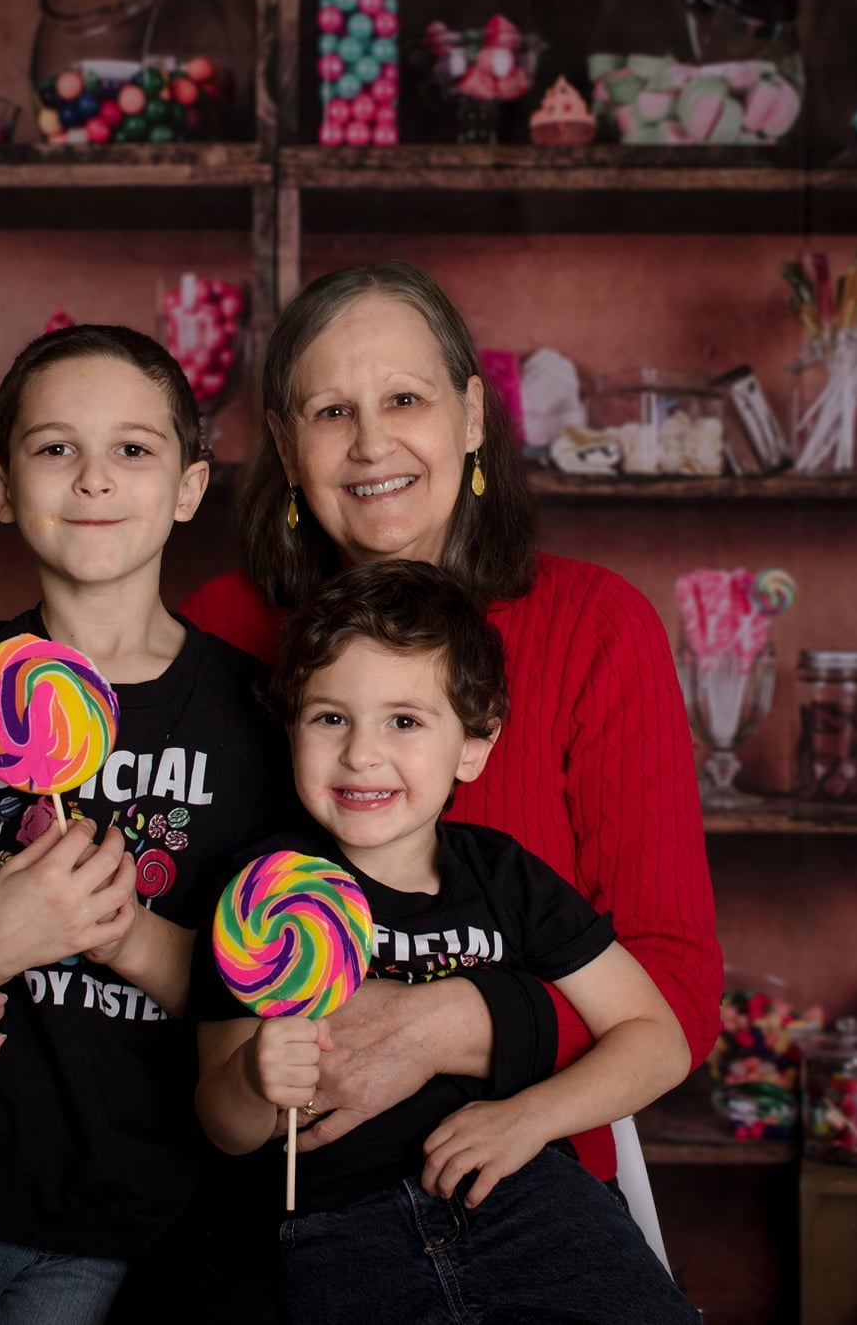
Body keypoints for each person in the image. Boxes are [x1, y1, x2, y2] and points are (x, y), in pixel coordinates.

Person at [181, 260, 721, 1173]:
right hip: (282, 1197)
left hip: (522, 1179)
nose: (370, 445)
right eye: (330, 412)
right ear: (284, 441)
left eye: (403, 398)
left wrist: (446, 1021)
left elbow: (677, 989)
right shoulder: (216, 631)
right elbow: (165, 934)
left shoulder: (597, 629)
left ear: (470, 415)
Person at [0, 324, 292, 1322]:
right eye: (53, 449)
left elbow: (242, 998)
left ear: (189, 487)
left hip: (129, 1210)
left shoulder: (254, 716)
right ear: (2, 486)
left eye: (133, 448)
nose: (93, 479)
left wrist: (119, 932)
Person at [191, 560, 698, 1323]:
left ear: (474, 743)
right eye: (330, 717)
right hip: (334, 1225)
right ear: (290, 724)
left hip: (529, 1197)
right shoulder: (263, 896)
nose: (361, 753)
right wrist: (253, 1079)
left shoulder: (506, 879)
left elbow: (657, 1039)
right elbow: (223, 1128)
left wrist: (529, 1117)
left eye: (404, 720)